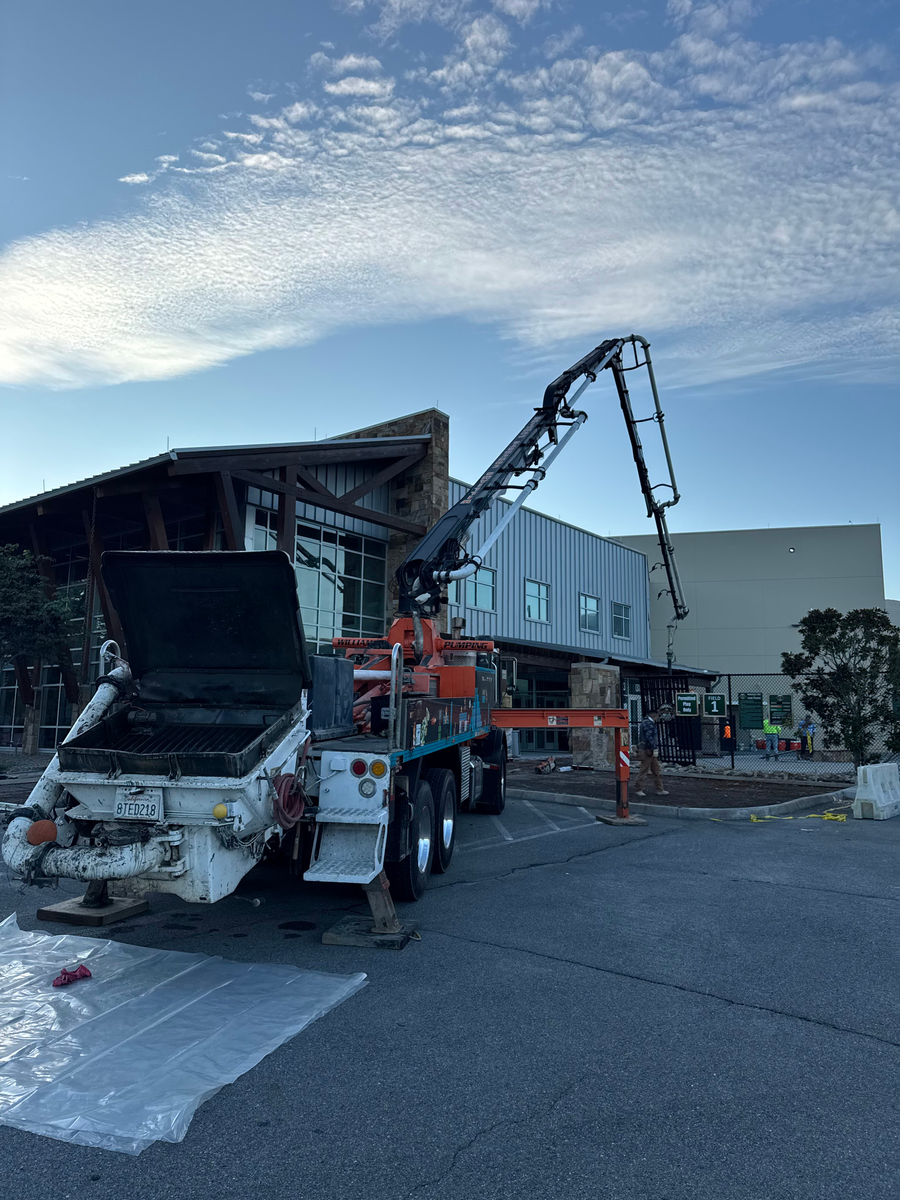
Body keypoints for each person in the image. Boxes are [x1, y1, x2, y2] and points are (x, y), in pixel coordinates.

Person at [635, 709, 669, 797]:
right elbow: (649, 737)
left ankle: (659, 789)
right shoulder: (648, 723)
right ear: (654, 716)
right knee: (645, 769)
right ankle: (639, 789)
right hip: (647, 750)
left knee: (655, 769)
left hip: (647, 749)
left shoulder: (646, 722)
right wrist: (654, 748)